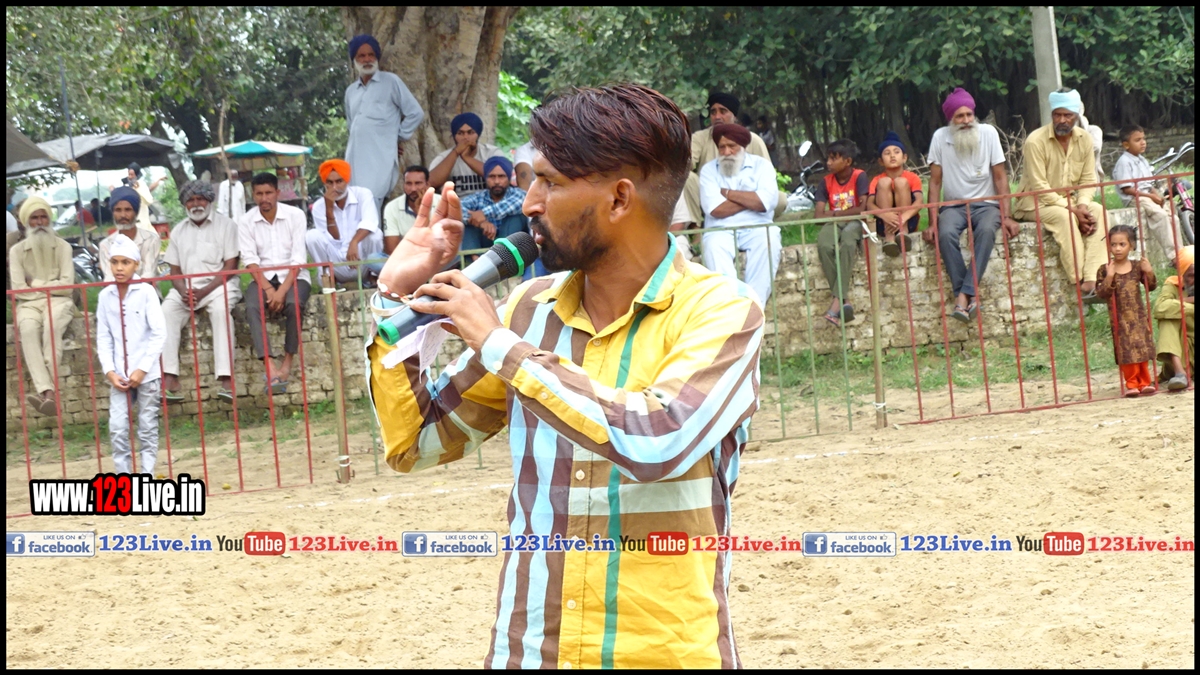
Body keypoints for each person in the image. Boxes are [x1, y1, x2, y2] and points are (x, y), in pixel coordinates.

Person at [367, 83, 763, 669]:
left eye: (549, 182)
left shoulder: (723, 311)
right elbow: (415, 443)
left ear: (620, 199)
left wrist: (500, 346)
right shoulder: (527, 311)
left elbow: (658, 439)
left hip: (664, 656)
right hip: (530, 653)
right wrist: (394, 295)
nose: (529, 203)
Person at [925, 87, 1022, 323]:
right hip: (953, 206)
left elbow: (1000, 177)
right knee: (945, 233)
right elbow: (935, 183)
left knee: (987, 230)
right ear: (951, 119)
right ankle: (968, 294)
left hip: (986, 204)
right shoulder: (940, 137)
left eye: (969, 114)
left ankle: (962, 296)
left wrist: (1007, 216)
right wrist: (932, 222)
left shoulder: (988, 133)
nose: (966, 120)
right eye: (960, 116)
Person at [1013, 88, 1108, 303]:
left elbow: (1088, 179)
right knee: (1065, 217)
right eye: (1057, 115)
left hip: (1069, 200)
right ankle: (1079, 281)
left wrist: (1082, 206)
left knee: (1098, 211)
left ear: (1076, 116)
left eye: (1068, 115)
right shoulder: (1035, 141)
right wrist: (1073, 210)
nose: (1062, 120)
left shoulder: (1085, 139)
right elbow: (1040, 186)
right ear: (1052, 115)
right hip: (1034, 202)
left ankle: (1093, 278)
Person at [160, 180, 242, 403]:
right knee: (166, 312)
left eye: (200, 199)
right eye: (191, 200)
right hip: (186, 288)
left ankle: (227, 381)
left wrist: (204, 291)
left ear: (209, 201)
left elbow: (231, 266)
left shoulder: (226, 225)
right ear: (184, 204)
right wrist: (183, 291)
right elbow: (174, 270)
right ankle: (170, 379)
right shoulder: (178, 231)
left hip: (219, 285)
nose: (196, 204)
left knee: (221, 311)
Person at [97, 236, 165, 474]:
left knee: (147, 428)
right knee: (117, 428)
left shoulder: (146, 292)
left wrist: (143, 369)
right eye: (114, 262)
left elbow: (159, 333)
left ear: (136, 264)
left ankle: (146, 476)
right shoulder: (105, 296)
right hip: (119, 375)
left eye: (125, 262)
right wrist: (109, 371)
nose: (119, 268)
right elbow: (103, 337)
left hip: (147, 374)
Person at [239, 172, 311, 395]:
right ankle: (269, 366)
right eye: (259, 194)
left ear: (278, 193)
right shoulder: (246, 221)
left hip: (295, 276)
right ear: (253, 195)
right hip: (262, 278)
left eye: (268, 193)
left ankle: (287, 363)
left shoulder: (295, 216)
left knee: (294, 304)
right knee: (252, 306)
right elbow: (250, 260)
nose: (264, 198)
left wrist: (282, 292)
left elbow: (298, 258)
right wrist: (270, 289)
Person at [699, 123, 781, 305]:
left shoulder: (762, 166)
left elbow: (765, 202)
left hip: (758, 227)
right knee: (713, 246)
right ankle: (732, 306)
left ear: (743, 146)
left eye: (732, 146)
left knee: (769, 240)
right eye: (722, 147)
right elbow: (715, 210)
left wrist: (728, 194)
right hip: (720, 229)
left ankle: (754, 306)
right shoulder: (709, 170)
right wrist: (751, 198)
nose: (726, 152)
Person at [9, 197, 74, 417]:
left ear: (49, 219)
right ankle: (48, 392)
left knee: (52, 327)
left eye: (43, 217)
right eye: (34, 218)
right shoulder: (16, 251)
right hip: (29, 305)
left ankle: (48, 394)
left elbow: (68, 287)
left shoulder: (63, 247)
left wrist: (36, 284)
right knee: (28, 329)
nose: (39, 222)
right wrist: (51, 287)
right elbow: (19, 289)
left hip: (58, 302)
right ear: (26, 221)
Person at [344, 34, 425, 210]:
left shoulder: (390, 82)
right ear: (354, 60)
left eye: (371, 55)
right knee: (353, 204)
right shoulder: (351, 91)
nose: (367, 59)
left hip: (379, 159)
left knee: (371, 202)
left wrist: (397, 137)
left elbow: (415, 113)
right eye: (361, 56)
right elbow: (352, 125)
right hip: (354, 158)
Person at [683, 92, 777, 224]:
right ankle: (696, 227)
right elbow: (684, 165)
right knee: (686, 178)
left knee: (780, 199)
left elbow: (767, 177)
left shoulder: (753, 140)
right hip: (710, 194)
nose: (717, 117)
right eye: (713, 112)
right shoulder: (699, 138)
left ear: (734, 115)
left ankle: (756, 220)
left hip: (747, 193)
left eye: (723, 111)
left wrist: (730, 195)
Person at [1096, 225, 1158, 397]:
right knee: (1126, 350)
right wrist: (1109, 276)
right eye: (1113, 244)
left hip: (1138, 316)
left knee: (1141, 347)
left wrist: (1149, 271)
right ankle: (1131, 383)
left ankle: (1144, 382)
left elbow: (1151, 286)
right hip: (1119, 318)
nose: (1117, 248)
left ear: (1131, 245)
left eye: (1122, 244)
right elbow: (1101, 293)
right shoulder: (1105, 269)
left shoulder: (1137, 266)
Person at [814, 139, 870, 326]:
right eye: (828, 158)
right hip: (835, 222)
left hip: (855, 222)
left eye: (833, 158)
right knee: (824, 245)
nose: (828, 163)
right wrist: (840, 214)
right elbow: (818, 216)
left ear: (847, 161)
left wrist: (835, 213)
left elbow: (862, 209)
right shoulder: (826, 182)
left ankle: (837, 302)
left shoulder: (859, 176)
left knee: (848, 242)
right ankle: (843, 300)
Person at [307, 158, 385, 283]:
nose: (335, 187)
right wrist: (329, 210)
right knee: (311, 236)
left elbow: (370, 222)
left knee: (375, 234)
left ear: (347, 180)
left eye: (339, 181)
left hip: (362, 261)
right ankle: (329, 280)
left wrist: (354, 242)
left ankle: (374, 278)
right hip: (336, 264)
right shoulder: (319, 206)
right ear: (324, 183)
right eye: (330, 182)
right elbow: (333, 240)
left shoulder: (363, 194)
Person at [1112, 125, 1180, 267]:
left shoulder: (1142, 160)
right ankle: (1174, 257)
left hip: (1147, 195)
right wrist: (1150, 197)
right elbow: (1127, 189)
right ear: (1126, 145)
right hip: (1135, 197)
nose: (1143, 142)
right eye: (1137, 140)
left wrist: (1157, 196)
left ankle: (1181, 252)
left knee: (1173, 217)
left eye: (1143, 139)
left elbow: (1149, 184)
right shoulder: (1124, 162)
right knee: (1160, 216)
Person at [866, 131, 925, 258]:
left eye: (896, 152)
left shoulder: (913, 177)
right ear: (881, 161)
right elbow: (869, 204)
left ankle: (903, 233)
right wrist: (885, 215)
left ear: (904, 157)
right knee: (884, 182)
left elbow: (919, 201)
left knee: (901, 182)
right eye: (887, 153)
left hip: (907, 220)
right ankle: (890, 238)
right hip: (883, 223)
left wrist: (903, 218)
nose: (892, 156)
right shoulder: (876, 180)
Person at [459, 156, 528, 252]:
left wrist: (483, 214)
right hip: (485, 243)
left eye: (501, 176)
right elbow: (457, 209)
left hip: (513, 249)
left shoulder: (518, 194)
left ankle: (503, 256)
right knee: (469, 223)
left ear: (508, 178)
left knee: (515, 217)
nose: (496, 181)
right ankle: (473, 259)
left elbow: (517, 202)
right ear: (486, 178)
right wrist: (481, 223)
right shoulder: (479, 197)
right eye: (492, 177)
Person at [428, 112, 506, 196]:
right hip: (457, 202)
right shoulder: (444, 157)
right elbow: (430, 183)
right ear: (454, 136)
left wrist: (467, 158)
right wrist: (456, 152)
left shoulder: (492, 152)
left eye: (470, 132)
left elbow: (501, 176)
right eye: (460, 133)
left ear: (478, 135)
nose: (465, 137)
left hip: (489, 201)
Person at [98, 187, 161, 281]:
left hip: (146, 289)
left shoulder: (151, 240)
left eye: (128, 210)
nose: (123, 215)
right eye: (118, 210)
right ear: (113, 213)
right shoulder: (105, 245)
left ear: (136, 212)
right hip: (116, 290)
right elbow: (110, 279)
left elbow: (148, 275)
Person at [1154, 245, 1193, 391]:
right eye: (1191, 276)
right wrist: (1190, 302)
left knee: (1173, 309)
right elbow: (1160, 308)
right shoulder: (1172, 285)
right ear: (1182, 275)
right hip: (1184, 354)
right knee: (1168, 317)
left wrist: (1180, 305)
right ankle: (1180, 373)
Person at [382, 166, 439, 254]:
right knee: (374, 257)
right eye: (408, 183)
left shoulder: (442, 202)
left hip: (436, 254)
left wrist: (421, 212)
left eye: (418, 183)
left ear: (427, 185)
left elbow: (439, 243)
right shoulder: (392, 207)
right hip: (406, 256)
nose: (413, 189)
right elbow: (391, 249)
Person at [115, 162, 164, 234]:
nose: (130, 177)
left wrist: (138, 189)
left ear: (136, 175)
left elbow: (149, 200)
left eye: (132, 174)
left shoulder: (142, 185)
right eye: (129, 174)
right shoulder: (126, 186)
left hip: (143, 222)